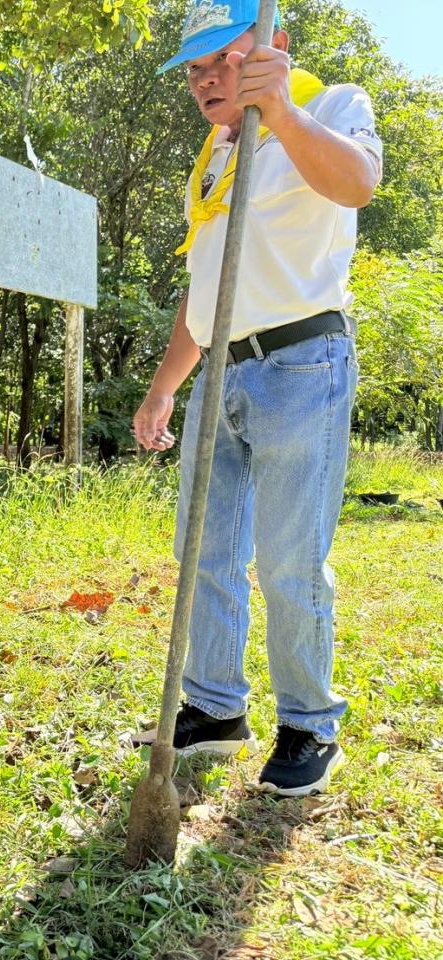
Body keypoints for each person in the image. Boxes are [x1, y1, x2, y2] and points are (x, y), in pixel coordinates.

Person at [132, 0, 381, 796]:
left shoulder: (332, 104)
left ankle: (310, 723)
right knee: (204, 549)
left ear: (273, 46)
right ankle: (212, 708)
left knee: (286, 559)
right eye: (197, 70)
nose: (209, 80)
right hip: (221, 371)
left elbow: (358, 184)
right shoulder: (213, 154)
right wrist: (164, 388)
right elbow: (204, 284)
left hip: (301, 361)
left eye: (226, 60)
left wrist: (280, 109)